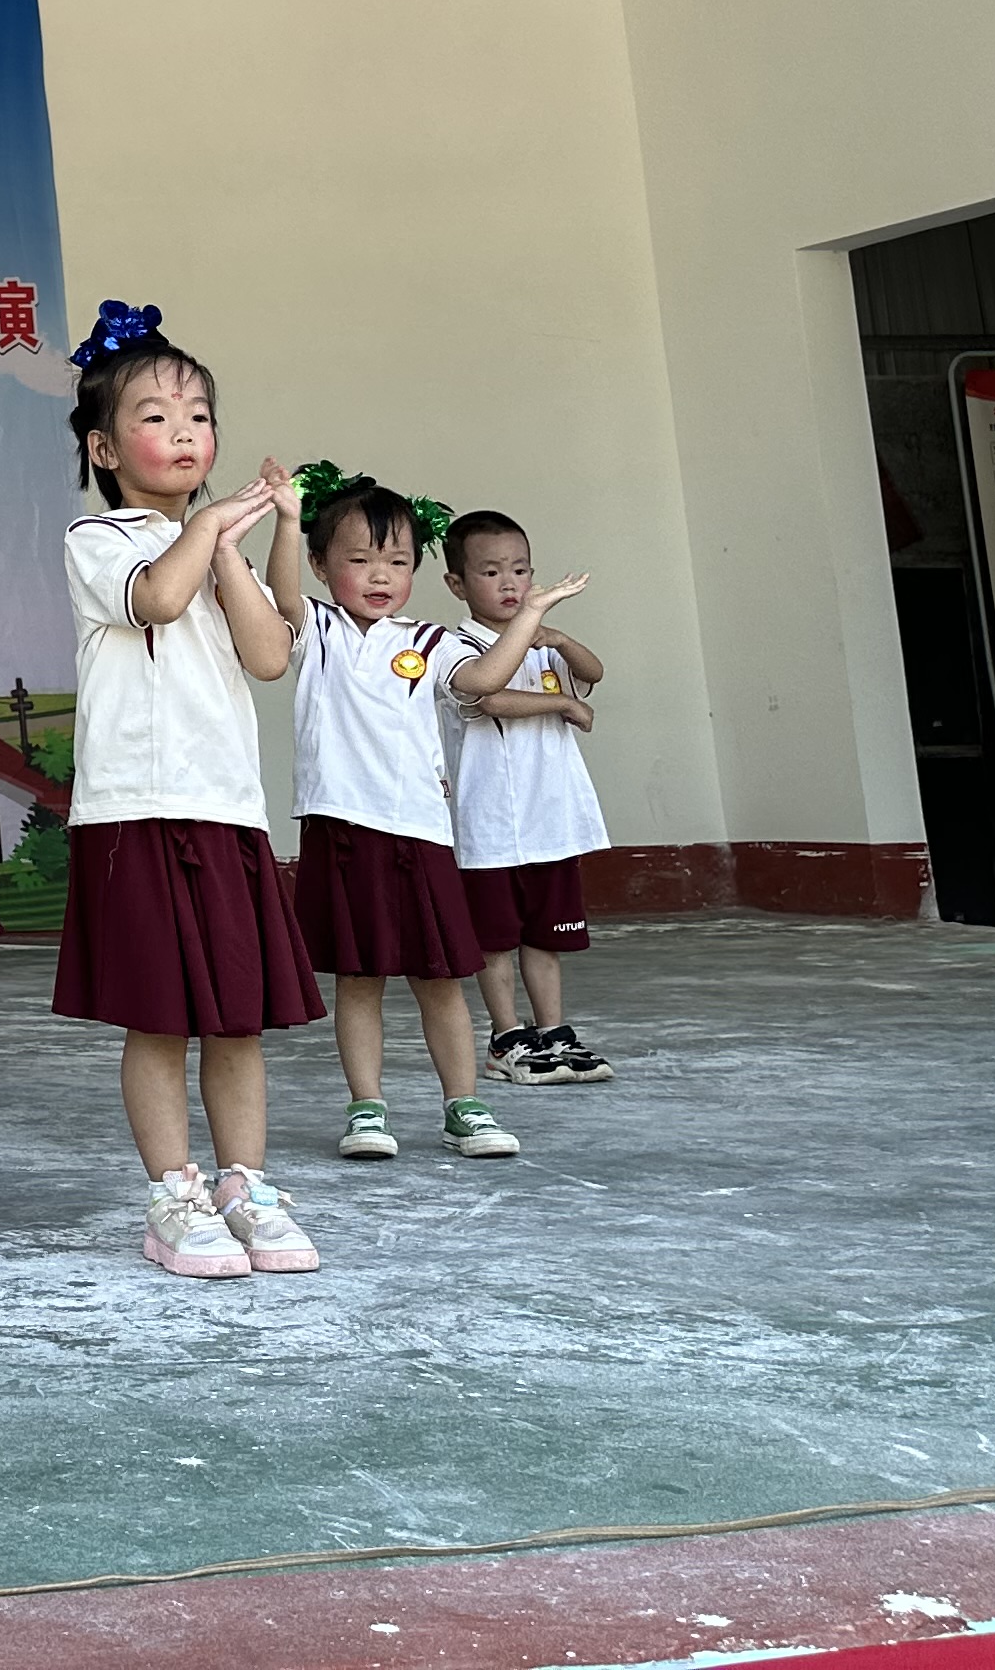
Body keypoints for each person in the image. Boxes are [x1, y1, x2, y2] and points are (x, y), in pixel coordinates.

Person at [49, 302, 323, 1280]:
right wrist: (207, 525)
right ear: (103, 447)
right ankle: (175, 1194)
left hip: (227, 810)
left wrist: (264, 534)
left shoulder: (217, 547)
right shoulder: (99, 538)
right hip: (136, 811)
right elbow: (158, 598)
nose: (186, 434)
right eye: (156, 417)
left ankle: (245, 1185)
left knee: (238, 1018)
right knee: (160, 1018)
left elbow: (270, 654)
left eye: (199, 416)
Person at [267, 470, 563, 1162]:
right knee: (359, 980)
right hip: (341, 830)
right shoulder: (318, 630)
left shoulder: (431, 642)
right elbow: (282, 596)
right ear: (321, 564)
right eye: (360, 559)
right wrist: (285, 519)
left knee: (440, 979)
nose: (381, 576)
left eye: (398, 562)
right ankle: (366, 1109)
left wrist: (528, 617)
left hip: (422, 835)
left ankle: (464, 1106)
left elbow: (483, 681)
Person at [437, 510, 616, 1081]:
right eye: (491, 572)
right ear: (457, 584)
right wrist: (562, 703)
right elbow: (490, 699)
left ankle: (553, 1032)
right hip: (488, 823)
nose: (509, 583)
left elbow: (594, 671)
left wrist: (557, 636)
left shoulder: (542, 645)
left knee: (545, 935)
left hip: (550, 819)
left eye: (520, 570)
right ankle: (506, 1036)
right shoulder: (454, 646)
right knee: (495, 939)